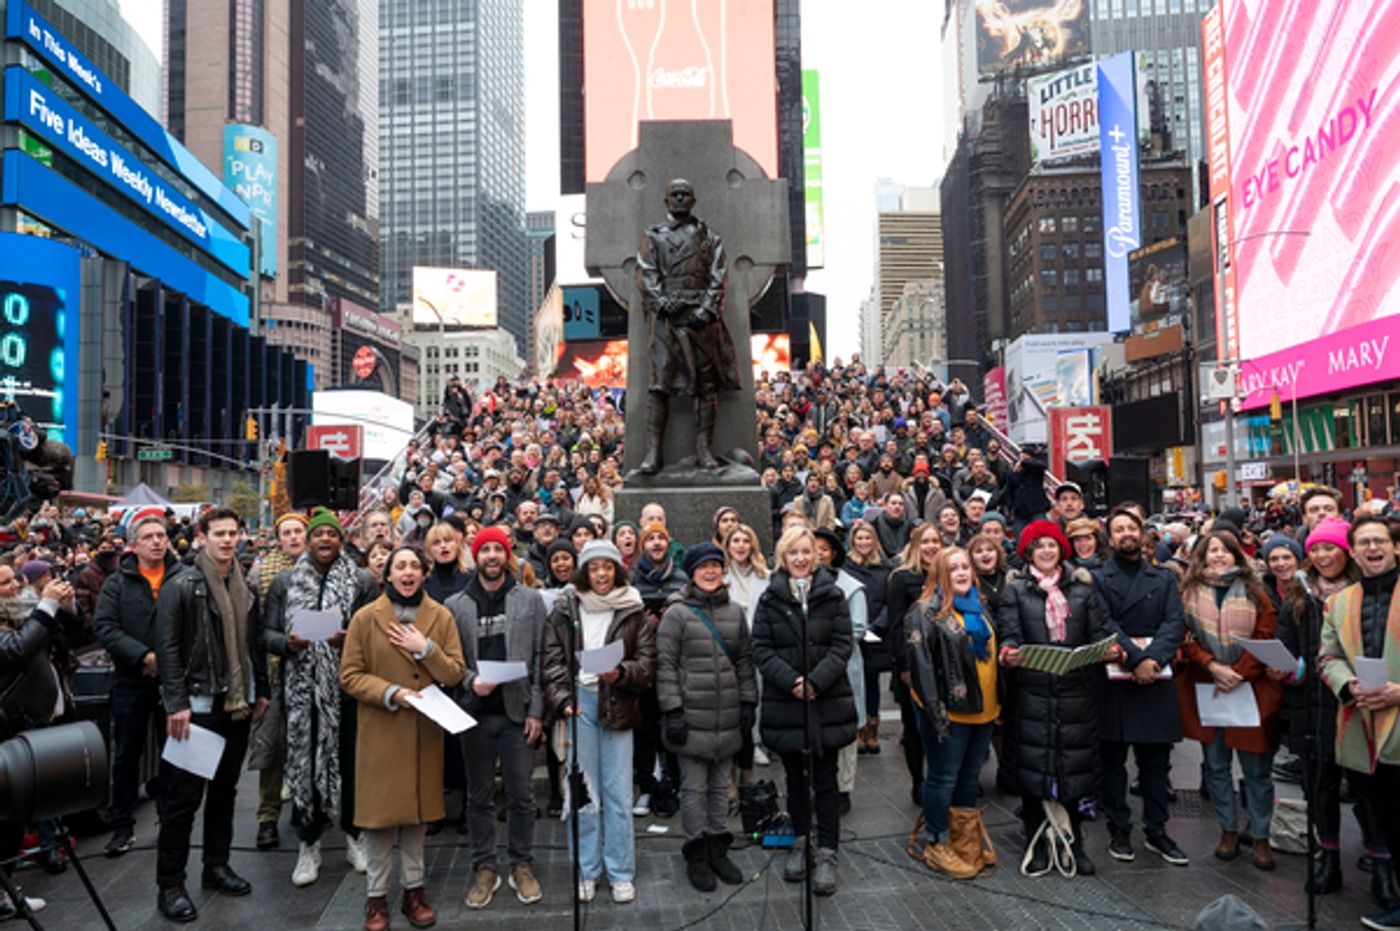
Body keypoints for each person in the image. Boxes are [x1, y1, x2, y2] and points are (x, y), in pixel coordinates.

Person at [340, 545, 466, 931]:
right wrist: (392, 693)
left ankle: (414, 891)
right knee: (378, 821)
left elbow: (455, 672)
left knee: (416, 819)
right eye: (401, 566)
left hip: (424, 733)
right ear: (388, 574)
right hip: (381, 731)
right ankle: (376, 897)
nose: (408, 572)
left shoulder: (440, 616)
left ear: (424, 573)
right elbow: (350, 675)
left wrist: (425, 649)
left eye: (414, 566)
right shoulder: (365, 618)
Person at [154, 507, 270, 923]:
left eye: (232, 533)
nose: (227, 540)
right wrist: (176, 702)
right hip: (198, 705)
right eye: (219, 533)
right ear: (202, 537)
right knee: (183, 800)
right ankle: (170, 883)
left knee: (225, 792)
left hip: (236, 703)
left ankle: (216, 866)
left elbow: (253, 642)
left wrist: (262, 690)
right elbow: (167, 646)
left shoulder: (244, 583)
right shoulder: (182, 583)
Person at [1276, 517, 1394, 907]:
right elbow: (1306, 649)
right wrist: (1294, 670)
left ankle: (1381, 866)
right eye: (1315, 549)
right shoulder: (1309, 597)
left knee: (1372, 794)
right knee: (1324, 789)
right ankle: (1334, 861)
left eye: (1330, 547)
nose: (1323, 555)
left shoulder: (1369, 592)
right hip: (1322, 708)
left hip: (1373, 710)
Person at [261, 508, 379, 886]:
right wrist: (288, 643)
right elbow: (266, 633)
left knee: (351, 765)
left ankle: (355, 835)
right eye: (318, 534)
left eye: (331, 533)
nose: (325, 539)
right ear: (309, 540)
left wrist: (350, 638)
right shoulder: (284, 582)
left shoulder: (361, 580)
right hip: (302, 690)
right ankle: (308, 842)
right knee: (304, 766)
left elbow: (375, 631)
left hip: (346, 687)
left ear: (340, 540)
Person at [998, 521, 1120, 877]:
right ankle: (1036, 842)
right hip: (1031, 694)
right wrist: (1009, 652)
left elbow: (1099, 633)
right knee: (1034, 770)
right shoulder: (1015, 591)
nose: (1047, 551)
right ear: (1028, 553)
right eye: (1039, 546)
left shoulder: (1082, 591)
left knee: (1074, 770)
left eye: (1052, 545)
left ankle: (1074, 841)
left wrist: (1109, 650)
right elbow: (1009, 633)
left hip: (1076, 693)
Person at [540, 539, 654, 905]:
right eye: (594, 568)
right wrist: (563, 699)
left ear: (617, 570)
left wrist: (620, 673)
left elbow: (647, 665)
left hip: (618, 701)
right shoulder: (565, 606)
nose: (601, 574)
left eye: (607, 567)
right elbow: (552, 660)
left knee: (618, 792)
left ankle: (620, 871)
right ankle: (586, 870)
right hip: (580, 704)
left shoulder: (633, 608)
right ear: (584, 572)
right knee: (584, 792)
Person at [446, 525, 548, 910]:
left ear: (507, 555)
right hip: (475, 714)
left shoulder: (530, 600)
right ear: (475, 556)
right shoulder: (456, 605)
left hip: (517, 713)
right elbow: (450, 662)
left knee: (522, 795)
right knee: (480, 797)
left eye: (498, 549)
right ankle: (484, 866)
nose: (492, 556)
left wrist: (537, 710)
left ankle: (521, 863)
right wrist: (471, 681)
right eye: (485, 549)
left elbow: (541, 658)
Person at [752, 526, 856, 896]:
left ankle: (827, 851)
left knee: (826, 780)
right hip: (787, 701)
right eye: (793, 552)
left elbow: (842, 644)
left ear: (816, 555)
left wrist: (816, 681)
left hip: (826, 700)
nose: (800, 558)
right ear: (783, 557)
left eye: (806, 552)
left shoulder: (833, 595)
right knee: (795, 779)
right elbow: (761, 648)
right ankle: (800, 840)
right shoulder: (770, 599)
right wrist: (793, 681)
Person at [1176, 530, 1282, 870]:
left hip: (1248, 688)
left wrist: (1238, 672)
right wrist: (1213, 665)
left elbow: (1265, 634)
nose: (1219, 556)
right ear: (1202, 556)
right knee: (1216, 765)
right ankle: (1228, 830)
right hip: (1207, 686)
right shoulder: (1188, 592)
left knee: (1256, 769)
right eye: (1212, 550)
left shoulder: (1256, 592)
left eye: (1225, 550)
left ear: (1237, 555)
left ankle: (1261, 835)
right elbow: (1184, 636)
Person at [1092, 505, 1189, 867]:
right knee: (1113, 763)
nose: (1126, 534)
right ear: (1110, 539)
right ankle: (1118, 828)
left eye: (1131, 528)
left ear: (1142, 533)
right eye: (1118, 530)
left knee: (1155, 763)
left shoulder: (1164, 579)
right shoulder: (1099, 579)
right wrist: (1136, 659)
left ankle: (1156, 829)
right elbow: (1104, 622)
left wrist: (1154, 661)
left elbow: (1173, 622)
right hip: (1116, 677)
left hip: (1155, 678)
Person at [656, 543, 756, 892]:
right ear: (692, 573)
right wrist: (672, 709)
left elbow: (744, 661)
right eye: (703, 567)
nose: (710, 572)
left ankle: (718, 846)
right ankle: (696, 852)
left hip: (726, 715)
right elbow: (665, 665)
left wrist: (748, 700)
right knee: (694, 789)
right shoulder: (676, 613)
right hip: (691, 716)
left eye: (715, 565)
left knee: (720, 788)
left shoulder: (734, 612)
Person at [1319, 515, 1400, 931]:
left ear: (1395, 547)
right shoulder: (1339, 603)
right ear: (1354, 552)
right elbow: (1328, 656)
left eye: (1379, 540)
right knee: (1385, 817)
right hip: (1362, 726)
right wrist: (1346, 685)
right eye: (1364, 542)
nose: (1372, 548)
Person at [634, 179, 742, 472]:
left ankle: (705, 449)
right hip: (666, 321)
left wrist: (706, 309)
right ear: (666, 200)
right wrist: (660, 300)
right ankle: (653, 453)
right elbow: (645, 272)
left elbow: (719, 276)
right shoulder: (653, 236)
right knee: (659, 385)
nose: (680, 199)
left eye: (685, 194)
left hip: (699, 321)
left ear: (693, 200)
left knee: (707, 386)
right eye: (675, 194)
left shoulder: (709, 238)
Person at [93, 510, 182, 858]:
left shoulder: (182, 577)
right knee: (126, 755)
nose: (157, 542)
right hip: (131, 682)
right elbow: (105, 627)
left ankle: (169, 822)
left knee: (174, 755)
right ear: (134, 545)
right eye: (149, 537)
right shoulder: (117, 583)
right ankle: (122, 827)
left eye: (161, 536)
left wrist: (169, 662)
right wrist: (143, 656)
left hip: (173, 684)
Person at [906, 546, 998, 878]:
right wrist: (935, 715)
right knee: (943, 779)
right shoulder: (924, 612)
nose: (961, 573)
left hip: (984, 710)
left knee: (969, 778)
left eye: (965, 567)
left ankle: (964, 840)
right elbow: (922, 670)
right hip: (950, 714)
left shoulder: (979, 606)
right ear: (939, 575)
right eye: (953, 568)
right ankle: (936, 841)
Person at [631, 521, 686, 817]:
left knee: (674, 724)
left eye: (660, 538)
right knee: (645, 729)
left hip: (674, 663)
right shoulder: (632, 580)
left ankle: (675, 784)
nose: (656, 543)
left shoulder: (681, 578)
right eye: (650, 539)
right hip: (645, 664)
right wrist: (646, 624)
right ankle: (646, 787)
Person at [886, 523, 943, 805]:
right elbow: (896, 626)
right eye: (925, 541)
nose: (931, 546)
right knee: (914, 728)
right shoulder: (901, 578)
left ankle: (942, 777)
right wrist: (905, 667)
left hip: (944, 664)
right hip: (913, 664)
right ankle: (918, 782)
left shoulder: (949, 574)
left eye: (935, 541)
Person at [843, 521, 892, 755]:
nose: (863, 542)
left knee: (872, 682)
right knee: (854, 681)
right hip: (853, 632)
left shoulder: (885, 568)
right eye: (859, 538)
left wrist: (877, 626)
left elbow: (890, 602)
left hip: (875, 632)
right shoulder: (845, 567)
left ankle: (872, 727)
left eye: (867, 538)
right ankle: (857, 726)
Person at [423, 522, 471, 604]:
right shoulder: (423, 582)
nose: (443, 545)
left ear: (457, 545)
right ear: (429, 550)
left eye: (447, 540)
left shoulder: (473, 578)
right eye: (436, 543)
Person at [873, 491, 913, 559]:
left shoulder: (910, 527)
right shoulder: (874, 526)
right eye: (893, 503)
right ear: (885, 506)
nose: (897, 506)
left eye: (901, 504)